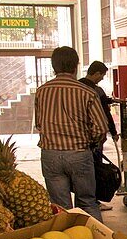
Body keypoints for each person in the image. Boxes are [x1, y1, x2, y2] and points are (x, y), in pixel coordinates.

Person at [34, 46, 109, 220]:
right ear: (76, 66)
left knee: (60, 206)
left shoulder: (42, 91)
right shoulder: (87, 92)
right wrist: (88, 142)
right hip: (79, 154)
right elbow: (100, 128)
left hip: (50, 154)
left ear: (54, 67)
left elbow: (39, 123)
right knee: (88, 202)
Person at [80, 60, 118, 211]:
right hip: (95, 139)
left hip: (80, 139)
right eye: (101, 76)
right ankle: (94, 201)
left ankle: (81, 204)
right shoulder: (96, 90)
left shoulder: (78, 87)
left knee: (83, 174)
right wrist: (113, 132)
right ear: (96, 73)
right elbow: (105, 114)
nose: (102, 79)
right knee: (96, 169)